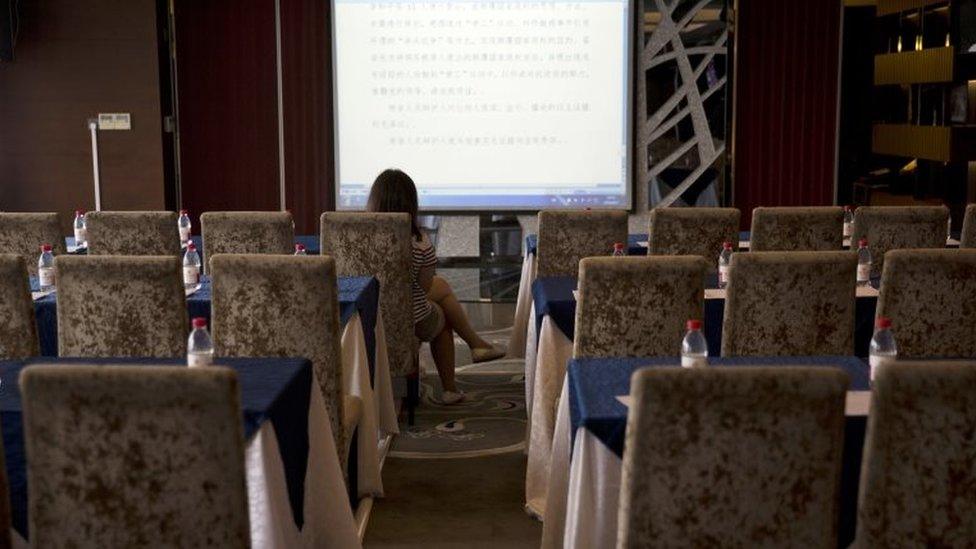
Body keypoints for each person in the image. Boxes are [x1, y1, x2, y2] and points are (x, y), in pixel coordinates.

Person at [366, 169, 505, 404]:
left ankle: (477, 345)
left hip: (367, 312)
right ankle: (451, 386)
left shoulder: (358, 239)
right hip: (410, 317)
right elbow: (424, 285)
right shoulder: (420, 243)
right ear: (412, 203)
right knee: (442, 318)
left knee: (441, 290)